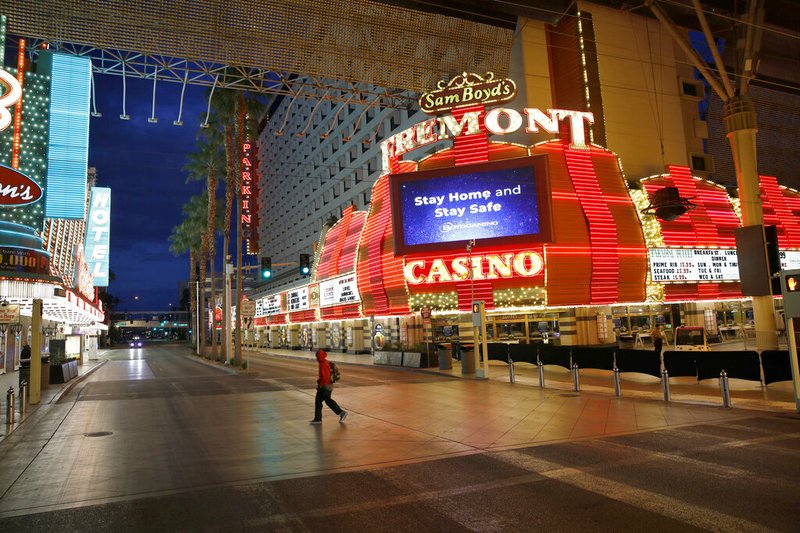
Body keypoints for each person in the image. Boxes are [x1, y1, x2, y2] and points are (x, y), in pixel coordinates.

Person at [310, 348, 347, 425]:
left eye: (317, 356)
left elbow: (325, 377)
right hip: (327, 386)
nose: (316, 358)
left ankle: (318, 419)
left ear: (319, 356)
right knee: (328, 401)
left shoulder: (324, 364)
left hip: (325, 386)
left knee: (318, 401)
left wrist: (320, 385)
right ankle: (341, 413)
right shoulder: (324, 362)